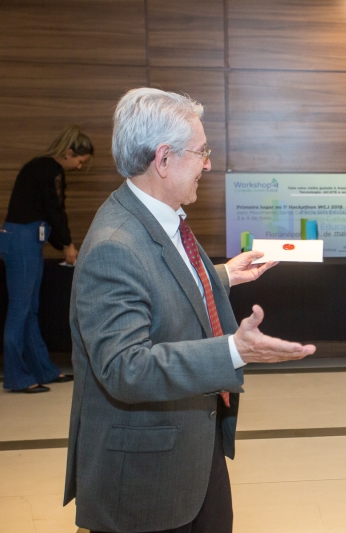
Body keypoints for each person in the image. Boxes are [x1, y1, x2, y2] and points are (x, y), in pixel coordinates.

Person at [64, 88, 316, 533]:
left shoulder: (159, 215)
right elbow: (125, 366)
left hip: (193, 452)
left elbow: (161, 284)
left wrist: (222, 275)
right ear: (163, 159)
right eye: (201, 152)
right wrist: (234, 352)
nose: (208, 164)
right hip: (146, 478)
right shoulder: (113, 246)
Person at [0, 126, 92, 393]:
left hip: (24, 240)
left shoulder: (38, 167)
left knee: (31, 309)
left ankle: (43, 370)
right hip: (22, 241)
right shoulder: (50, 170)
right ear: (69, 152)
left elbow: (46, 211)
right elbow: (54, 210)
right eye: (79, 161)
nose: (78, 167)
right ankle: (17, 377)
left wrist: (61, 242)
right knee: (20, 310)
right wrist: (67, 245)